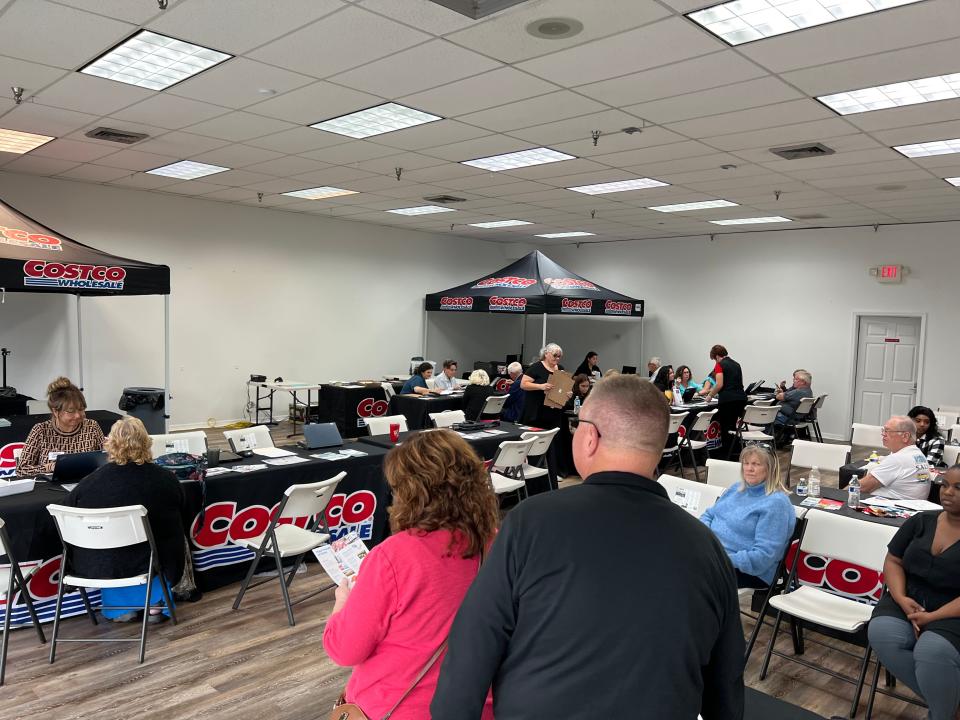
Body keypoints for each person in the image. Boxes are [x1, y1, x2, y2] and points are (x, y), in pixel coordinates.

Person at [431, 376, 745, 719]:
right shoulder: (707, 547)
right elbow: (726, 685)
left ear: (590, 437)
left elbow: (473, 648)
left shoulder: (531, 523)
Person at [323, 430, 497, 720]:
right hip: (479, 702)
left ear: (409, 492)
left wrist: (342, 602)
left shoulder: (394, 556)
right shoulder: (496, 543)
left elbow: (344, 650)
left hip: (400, 707)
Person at [63, 417, 185, 622]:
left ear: (111, 444)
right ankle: (154, 603)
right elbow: (181, 508)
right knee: (165, 534)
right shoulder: (165, 478)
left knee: (116, 547)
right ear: (147, 442)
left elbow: (67, 509)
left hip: (100, 565)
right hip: (149, 563)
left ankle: (120, 607)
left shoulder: (92, 481)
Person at [868, 465, 960, 720]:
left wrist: (932, 617)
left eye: (958, 488)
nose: (948, 492)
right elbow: (894, 560)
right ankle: (952, 708)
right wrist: (900, 597)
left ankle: (942, 713)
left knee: (932, 652)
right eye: (944, 485)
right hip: (908, 596)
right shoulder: (921, 520)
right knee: (882, 632)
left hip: (953, 610)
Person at [700, 444, 796, 588]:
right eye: (746, 463)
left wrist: (723, 559)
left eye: (756, 464)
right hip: (713, 556)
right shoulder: (736, 489)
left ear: (770, 469)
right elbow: (708, 515)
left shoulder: (776, 503)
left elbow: (763, 556)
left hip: (748, 571)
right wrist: (703, 540)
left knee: (688, 577)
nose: (749, 469)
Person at [16, 376, 105, 477]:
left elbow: (107, 459)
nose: (78, 415)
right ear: (55, 411)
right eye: (71, 411)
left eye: (81, 409)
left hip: (86, 484)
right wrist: (50, 467)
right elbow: (21, 470)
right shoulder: (41, 430)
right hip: (51, 489)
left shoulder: (91, 427)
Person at [859, 415, 932, 500]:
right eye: (883, 430)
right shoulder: (918, 454)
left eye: (887, 431)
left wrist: (839, 495)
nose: (883, 434)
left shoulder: (899, 459)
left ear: (905, 436)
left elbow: (860, 487)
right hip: (909, 507)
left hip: (890, 509)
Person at [702, 344, 747, 458]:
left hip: (728, 400)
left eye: (714, 359)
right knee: (733, 427)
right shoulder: (737, 364)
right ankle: (736, 451)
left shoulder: (719, 365)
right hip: (741, 399)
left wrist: (710, 395)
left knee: (726, 428)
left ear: (717, 356)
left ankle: (727, 455)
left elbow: (719, 384)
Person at [520, 343, 572, 430]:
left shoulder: (560, 368)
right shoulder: (536, 367)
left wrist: (567, 394)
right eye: (555, 355)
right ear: (546, 354)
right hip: (537, 410)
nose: (557, 358)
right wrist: (541, 386)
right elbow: (523, 384)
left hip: (554, 410)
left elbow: (561, 388)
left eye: (559, 356)